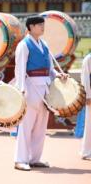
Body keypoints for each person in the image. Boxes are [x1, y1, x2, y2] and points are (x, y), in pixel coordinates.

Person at [13, 16, 67, 171]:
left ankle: (35, 158)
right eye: (39, 25)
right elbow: (20, 69)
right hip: (30, 87)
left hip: (45, 88)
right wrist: (21, 89)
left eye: (43, 25)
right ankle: (20, 159)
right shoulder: (24, 45)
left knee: (41, 126)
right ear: (31, 27)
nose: (42, 27)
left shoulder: (44, 44)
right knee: (26, 125)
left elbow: (49, 69)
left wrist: (58, 75)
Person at [80, 53, 91, 160]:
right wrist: (87, 96)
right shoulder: (88, 58)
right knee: (90, 124)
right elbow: (85, 77)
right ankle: (86, 152)